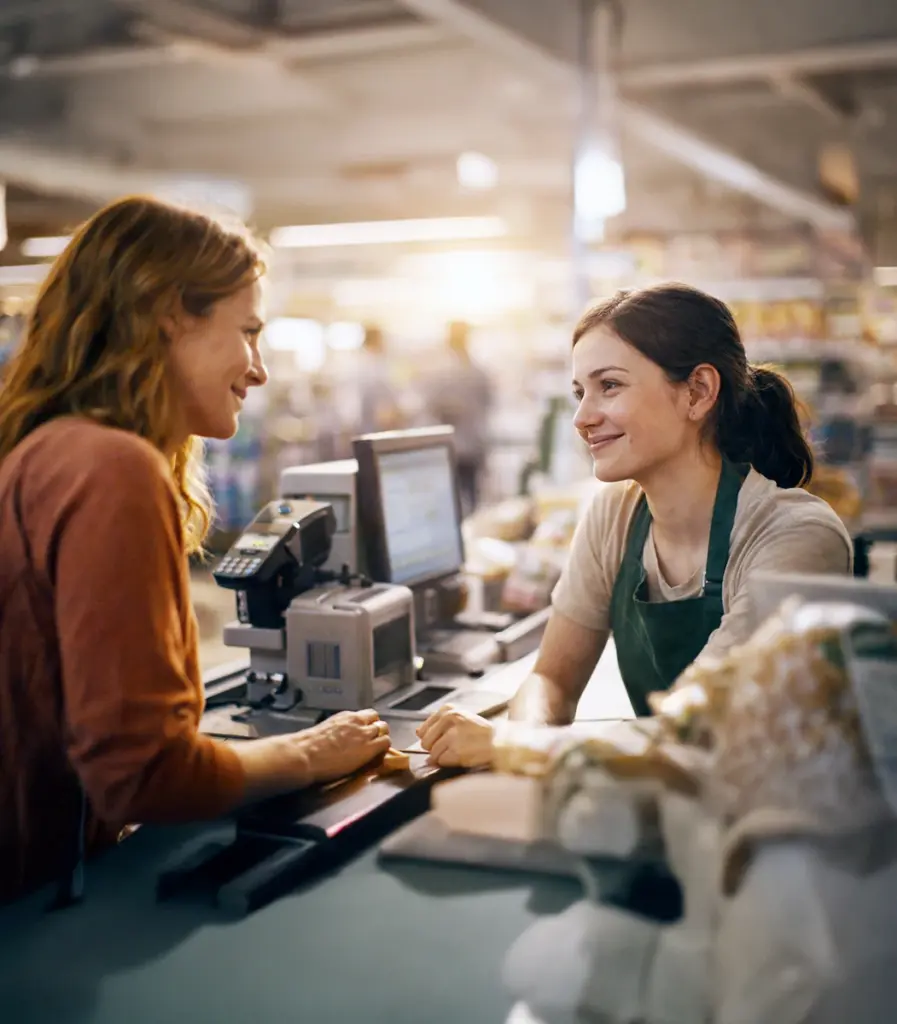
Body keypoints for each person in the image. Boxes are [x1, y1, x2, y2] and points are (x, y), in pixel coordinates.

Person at [0, 196, 391, 904]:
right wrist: (308, 754)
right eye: (247, 331)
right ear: (170, 313)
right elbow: (143, 774)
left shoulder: (47, 450)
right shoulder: (108, 467)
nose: (259, 369)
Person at [418, 283, 853, 768]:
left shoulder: (795, 535)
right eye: (580, 393)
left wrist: (513, 746)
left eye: (610, 386)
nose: (582, 418)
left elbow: (702, 729)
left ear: (698, 392)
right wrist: (529, 736)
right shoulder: (613, 516)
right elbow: (552, 681)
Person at [421, 320, 493, 516]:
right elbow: (488, 403)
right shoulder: (477, 371)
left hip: (450, 446)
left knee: (449, 502)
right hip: (470, 445)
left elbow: (429, 407)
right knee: (470, 498)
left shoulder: (438, 372)